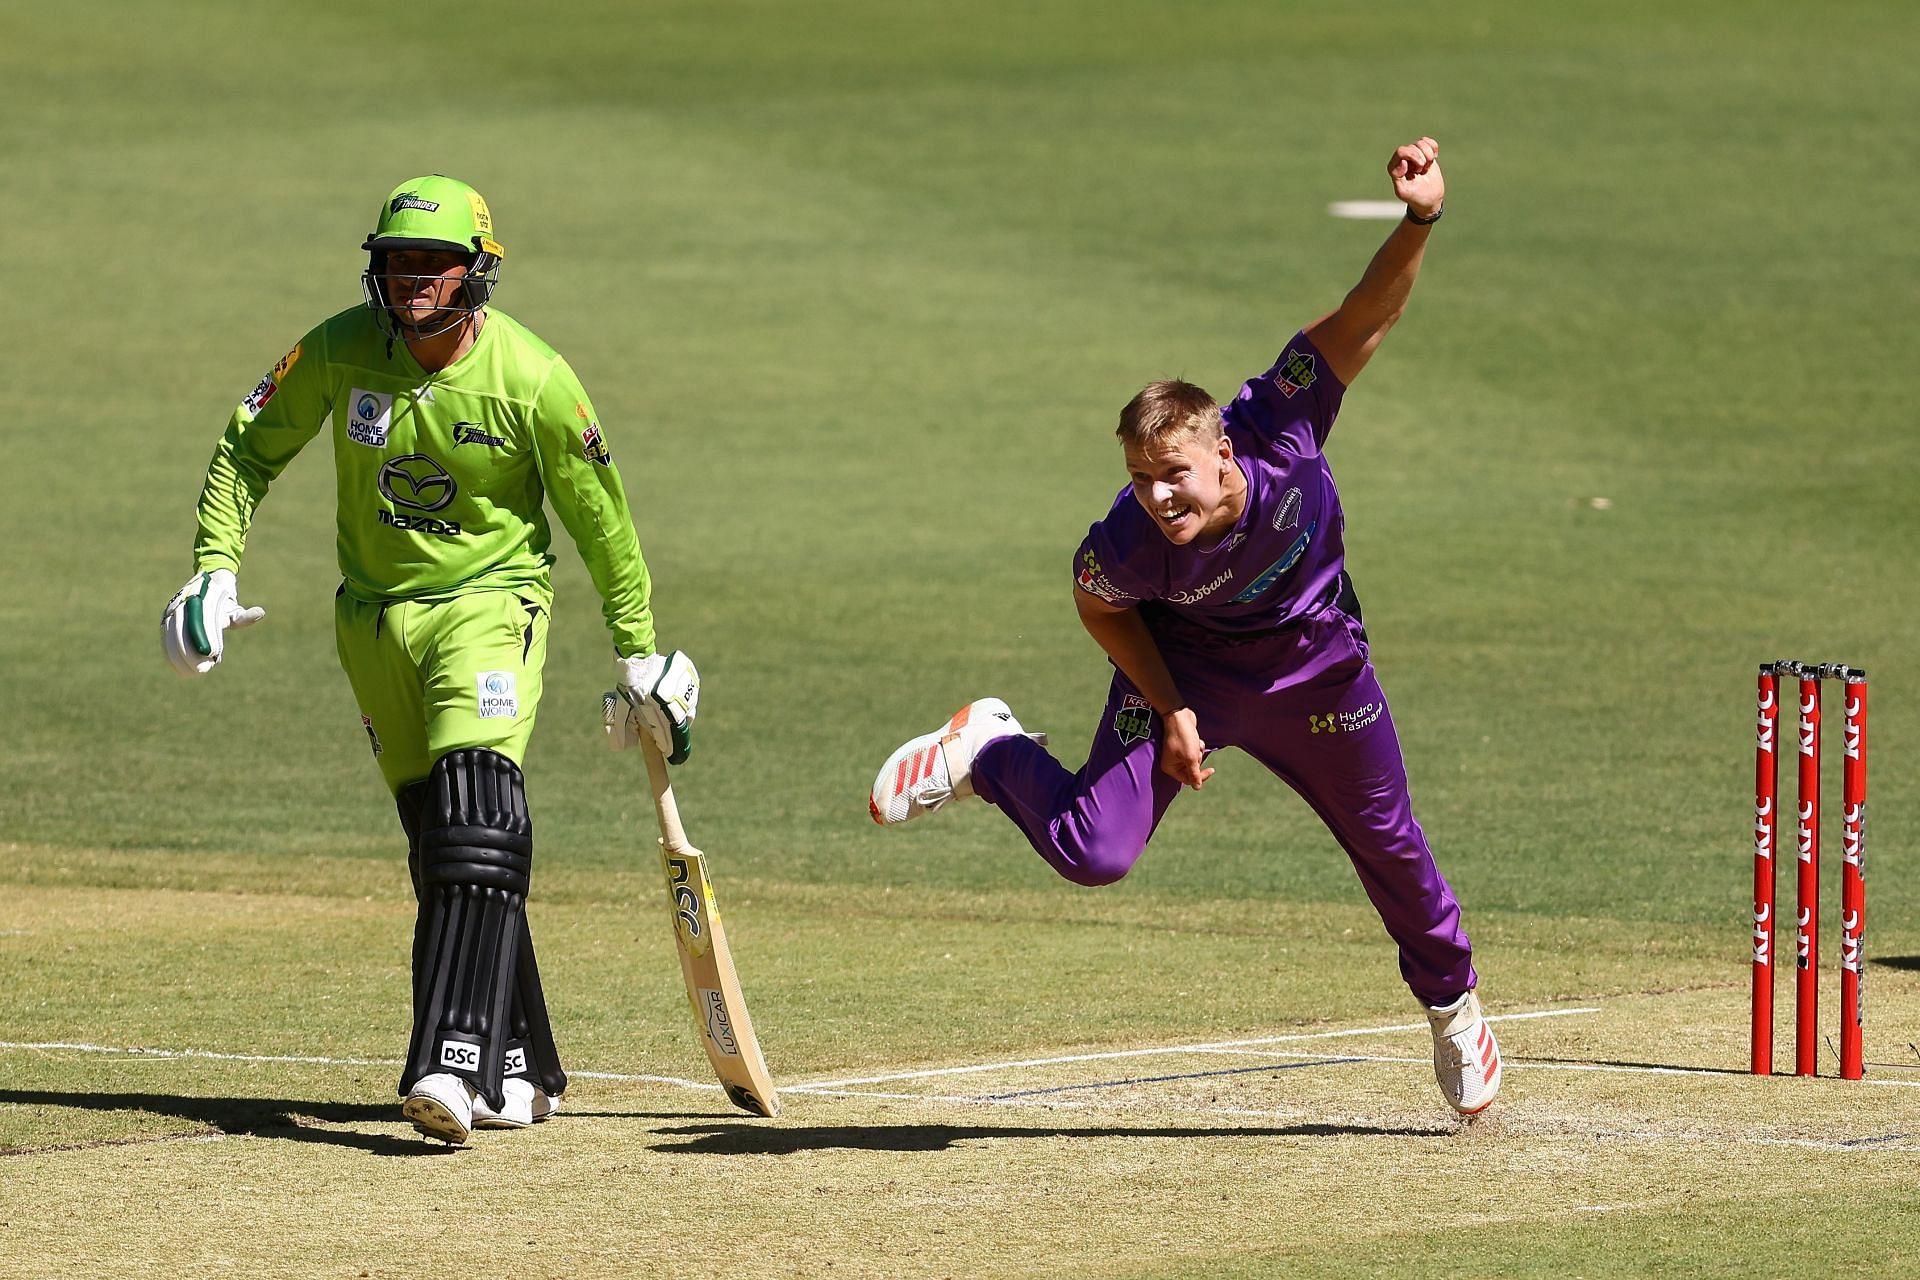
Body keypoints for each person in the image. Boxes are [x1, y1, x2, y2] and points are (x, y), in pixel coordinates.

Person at [869, 138, 1501, 1117]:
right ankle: (990, 750)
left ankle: (1453, 1005)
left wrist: (1418, 220)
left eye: (1174, 473)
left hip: (1317, 675)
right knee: (1094, 851)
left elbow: (1369, 315)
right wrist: (1168, 704)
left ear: (1219, 449)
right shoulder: (1128, 539)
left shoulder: (1282, 419)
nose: (1160, 496)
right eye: (1140, 477)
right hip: (1189, 672)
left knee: (1390, 843)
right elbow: (1095, 603)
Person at [161, 175, 700, 1145]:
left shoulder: (532, 376)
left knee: (478, 818)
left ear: (475, 273)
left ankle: (450, 1060)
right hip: (370, 621)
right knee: (441, 844)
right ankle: (526, 1064)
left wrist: (640, 649)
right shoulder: (338, 349)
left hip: (489, 609)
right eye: (396, 259)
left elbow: (601, 522)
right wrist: (212, 568)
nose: (411, 278)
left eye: (432, 262)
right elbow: (247, 450)